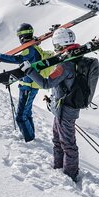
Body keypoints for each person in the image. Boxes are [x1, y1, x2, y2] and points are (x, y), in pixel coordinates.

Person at [19, 27, 81, 182]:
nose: (55, 49)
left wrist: (29, 71)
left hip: (65, 110)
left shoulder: (65, 65)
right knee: (57, 141)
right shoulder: (74, 58)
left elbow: (45, 83)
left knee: (68, 144)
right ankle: (59, 169)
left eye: (56, 45)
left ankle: (70, 176)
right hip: (63, 107)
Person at [0, 23, 53, 142]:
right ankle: (31, 137)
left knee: (20, 117)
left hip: (28, 87)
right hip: (29, 86)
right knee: (26, 113)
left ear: (21, 36)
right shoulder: (34, 48)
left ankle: (29, 139)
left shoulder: (29, 49)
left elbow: (18, 59)